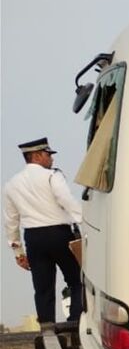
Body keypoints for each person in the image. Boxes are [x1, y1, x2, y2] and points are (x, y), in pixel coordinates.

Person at [3, 137, 83, 326]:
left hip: (33, 239)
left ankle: (47, 324)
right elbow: (67, 201)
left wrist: (18, 252)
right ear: (37, 156)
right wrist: (85, 224)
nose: (52, 159)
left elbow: (11, 222)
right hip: (59, 235)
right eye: (48, 155)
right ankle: (75, 320)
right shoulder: (51, 176)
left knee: (42, 286)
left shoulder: (11, 184)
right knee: (76, 279)